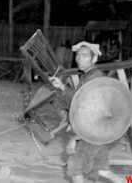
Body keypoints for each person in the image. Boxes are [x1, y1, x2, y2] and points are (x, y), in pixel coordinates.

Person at [49, 42, 124, 183]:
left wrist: (73, 138)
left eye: (85, 56)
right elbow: (80, 97)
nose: (79, 59)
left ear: (94, 59)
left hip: (91, 131)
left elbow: (89, 111)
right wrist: (61, 87)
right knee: (102, 170)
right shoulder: (88, 76)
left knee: (75, 167)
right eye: (77, 55)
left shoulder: (94, 78)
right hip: (100, 131)